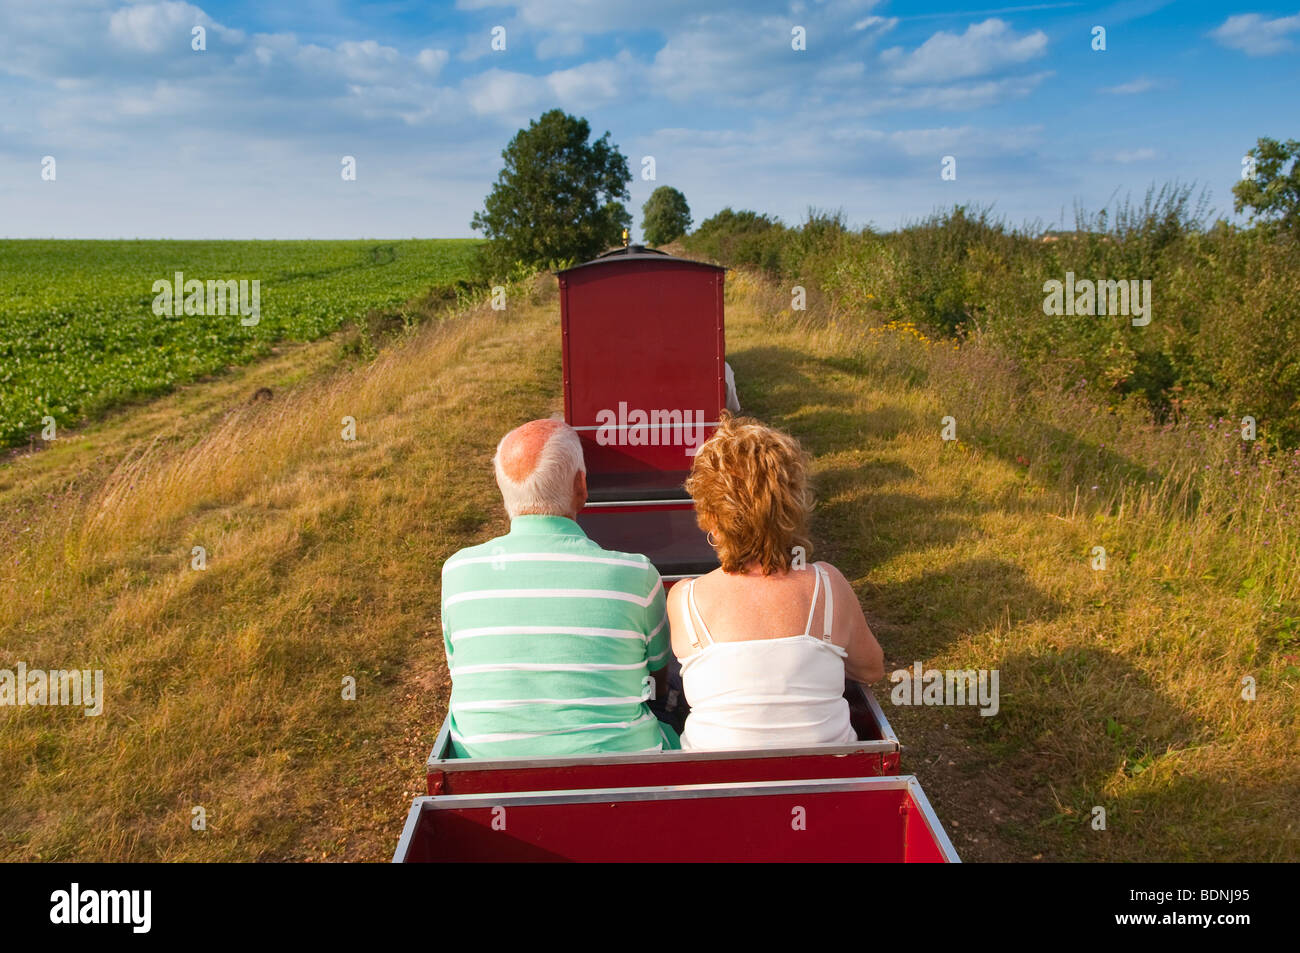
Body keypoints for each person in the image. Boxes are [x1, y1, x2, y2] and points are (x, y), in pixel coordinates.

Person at [441, 418, 678, 758]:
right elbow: (656, 678)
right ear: (580, 485)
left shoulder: (458, 571)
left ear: (501, 485)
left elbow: (458, 668)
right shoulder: (636, 574)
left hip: (483, 765)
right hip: (627, 769)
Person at [667, 413, 884, 749]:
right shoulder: (828, 585)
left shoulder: (684, 599)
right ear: (792, 505)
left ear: (709, 514)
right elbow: (870, 670)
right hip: (827, 782)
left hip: (715, 789)